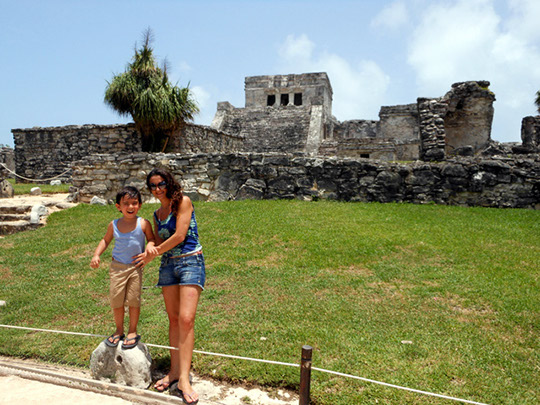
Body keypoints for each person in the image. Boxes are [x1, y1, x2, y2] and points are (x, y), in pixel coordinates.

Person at [135, 168, 205, 405]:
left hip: (190, 261)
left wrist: (152, 255)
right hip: (168, 266)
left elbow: (179, 236)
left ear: (169, 183)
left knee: (186, 319)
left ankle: (184, 379)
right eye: (152, 186)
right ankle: (174, 371)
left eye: (161, 184)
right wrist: (150, 246)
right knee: (173, 320)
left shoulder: (183, 202)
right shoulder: (156, 213)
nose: (157, 189)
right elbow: (156, 238)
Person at [90, 186, 155, 350]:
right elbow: (105, 240)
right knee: (116, 299)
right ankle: (119, 330)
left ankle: (132, 331)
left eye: (134, 203)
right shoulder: (114, 225)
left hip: (135, 268)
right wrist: (96, 255)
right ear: (118, 206)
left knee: (134, 299)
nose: (131, 207)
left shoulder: (144, 223)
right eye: (126, 203)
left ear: (140, 205)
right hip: (117, 268)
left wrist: (149, 250)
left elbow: (151, 240)